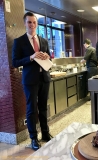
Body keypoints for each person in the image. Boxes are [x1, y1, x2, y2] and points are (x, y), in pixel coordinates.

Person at [12, 12, 52, 150]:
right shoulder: (19, 41)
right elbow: (15, 62)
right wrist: (31, 57)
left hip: (44, 78)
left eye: (34, 22)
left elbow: (49, 61)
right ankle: (33, 138)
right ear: (25, 23)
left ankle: (45, 134)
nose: (32, 25)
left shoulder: (44, 41)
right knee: (31, 110)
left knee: (43, 107)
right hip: (30, 81)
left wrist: (46, 56)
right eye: (29, 22)